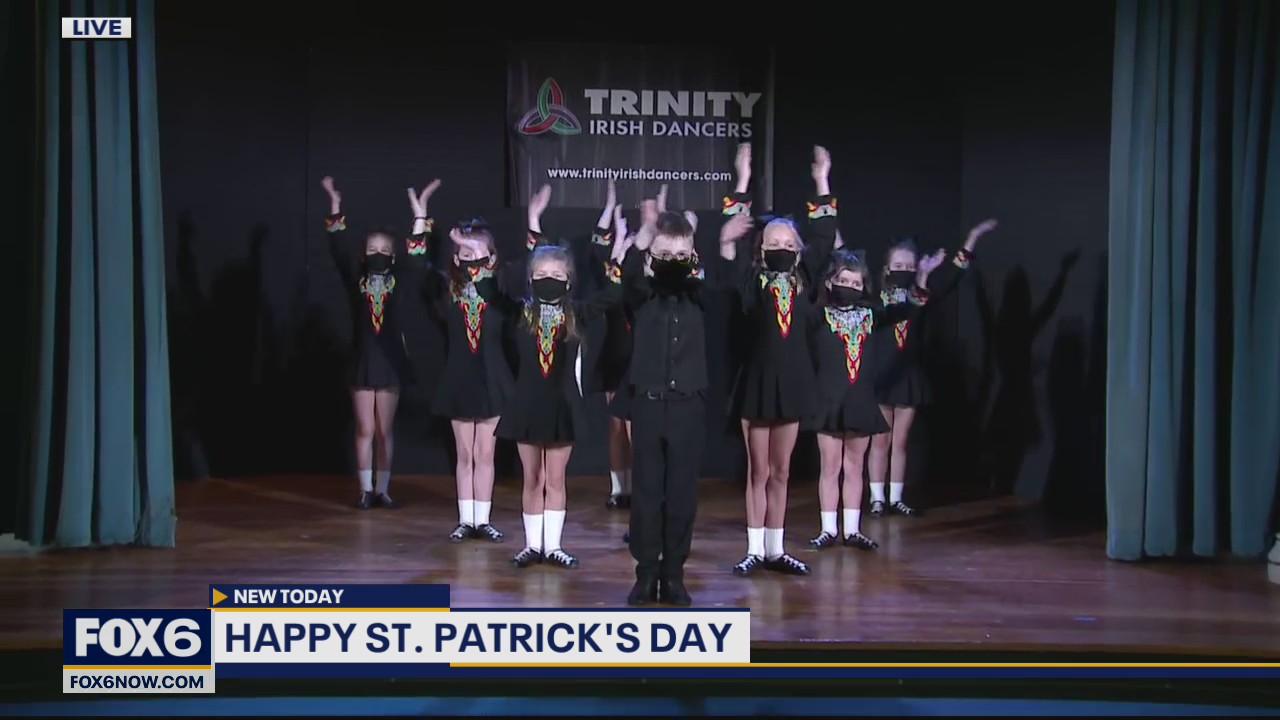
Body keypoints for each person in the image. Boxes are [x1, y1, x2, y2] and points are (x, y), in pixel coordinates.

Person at [467, 185, 627, 570]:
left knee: (554, 480)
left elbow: (612, 297)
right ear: (530, 279)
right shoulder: (521, 312)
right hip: (526, 404)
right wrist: (484, 249)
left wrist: (618, 256)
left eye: (556, 273)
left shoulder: (578, 313)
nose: (548, 279)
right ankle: (531, 545)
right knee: (531, 478)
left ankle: (552, 545)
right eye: (541, 274)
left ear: (569, 280)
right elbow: (488, 289)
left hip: (564, 406)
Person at [719, 143, 838, 577]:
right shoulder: (752, 281)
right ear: (762, 248)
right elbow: (735, 243)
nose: (782, 247)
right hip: (757, 382)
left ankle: (776, 547)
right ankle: (754, 548)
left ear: (798, 250)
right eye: (774, 242)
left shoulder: (806, 280)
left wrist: (822, 180)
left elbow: (824, 238)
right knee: (758, 470)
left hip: (793, 383)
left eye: (789, 242)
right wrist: (743, 179)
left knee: (783, 471)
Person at [806, 248, 943, 550]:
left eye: (857, 284)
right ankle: (829, 529)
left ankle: (852, 530)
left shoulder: (871, 314)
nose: (851, 288)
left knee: (855, 466)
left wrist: (921, 278)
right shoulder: (817, 316)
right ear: (831, 282)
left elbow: (908, 308)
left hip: (860, 401)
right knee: (830, 467)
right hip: (828, 401)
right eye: (845, 281)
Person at [866, 219, 999, 517]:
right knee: (880, 441)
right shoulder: (874, 298)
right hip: (882, 374)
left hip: (909, 376)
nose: (904, 269)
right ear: (887, 268)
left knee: (900, 441)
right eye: (898, 264)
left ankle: (896, 496)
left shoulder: (921, 296)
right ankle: (876, 497)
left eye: (909, 265)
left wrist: (972, 239)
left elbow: (953, 276)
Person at [404, 185, 513, 543]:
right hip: (459, 379)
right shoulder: (447, 291)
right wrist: (421, 219)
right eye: (461, 252)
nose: (467, 257)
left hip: (493, 378)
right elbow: (418, 264)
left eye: (475, 251)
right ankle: (466, 519)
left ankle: (484, 519)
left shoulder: (498, 292)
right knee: (465, 453)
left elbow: (501, 289)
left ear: (491, 259)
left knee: (486, 453)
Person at [618, 198, 708, 606]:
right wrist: (645, 239)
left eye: (681, 255)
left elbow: (722, 282)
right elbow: (628, 276)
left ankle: (674, 574)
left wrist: (696, 261)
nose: (673, 261)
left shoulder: (701, 296)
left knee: (682, 494)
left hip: (688, 405)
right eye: (665, 254)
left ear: (692, 257)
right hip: (649, 405)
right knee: (648, 492)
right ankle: (645, 574)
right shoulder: (643, 294)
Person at [321, 175, 423, 510]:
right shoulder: (356, 282)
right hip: (363, 361)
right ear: (363, 257)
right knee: (364, 428)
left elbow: (418, 260)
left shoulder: (400, 282)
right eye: (371, 250)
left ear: (392, 257)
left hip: (391, 362)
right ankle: (365, 489)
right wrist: (335, 204)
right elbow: (337, 249)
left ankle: (383, 489)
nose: (378, 254)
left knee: (384, 430)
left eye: (384, 251)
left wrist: (419, 216)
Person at [585, 181, 635, 511]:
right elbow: (597, 250)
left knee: (638, 428)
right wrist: (609, 209)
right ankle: (620, 489)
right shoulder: (611, 270)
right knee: (616, 426)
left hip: (643, 355)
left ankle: (643, 488)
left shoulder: (649, 266)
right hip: (616, 354)